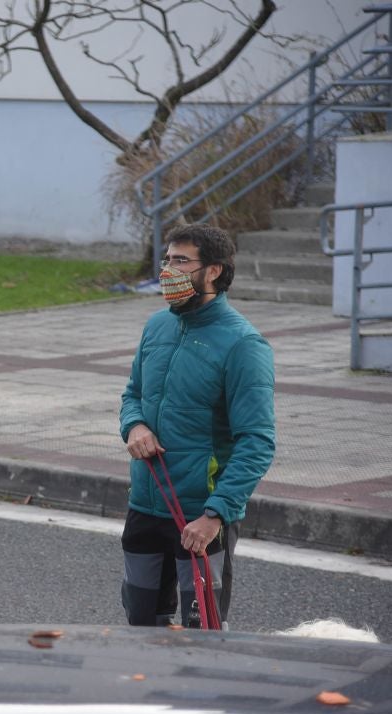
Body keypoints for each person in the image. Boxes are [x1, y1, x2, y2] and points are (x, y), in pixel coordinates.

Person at [119, 223, 276, 629]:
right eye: (167, 260)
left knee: (199, 639)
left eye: (182, 261)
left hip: (199, 519)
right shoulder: (157, 326)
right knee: (139, 628)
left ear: (214, 272)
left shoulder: (243, 344)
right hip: (144, 505)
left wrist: (214, 516)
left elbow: (256, 442)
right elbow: (133, 393)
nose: (168, 271)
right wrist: (134, 426)